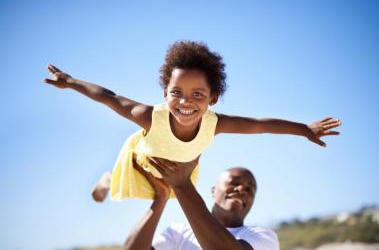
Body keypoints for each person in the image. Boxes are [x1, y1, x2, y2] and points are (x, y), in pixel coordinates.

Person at [44, 40, 341, 202]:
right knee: (127, 184)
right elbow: (109, 97)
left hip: (178, 171)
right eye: (177, 93)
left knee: (164, 194)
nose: (186, 102)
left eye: (197, 94)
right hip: (140, 163)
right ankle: (108, 179)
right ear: (165, 92)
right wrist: (70, 81)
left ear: (212, 98)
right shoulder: (149, 116)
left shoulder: (215, 123)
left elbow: (259, 125)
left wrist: (304, 129)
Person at [123, 156, 279, 250]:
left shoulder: (263, 237)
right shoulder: (178, 232)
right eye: (234, 182)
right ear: (213, 190)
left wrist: (182, 185)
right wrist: (161, 197)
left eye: (250, 189)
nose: (242, 189)